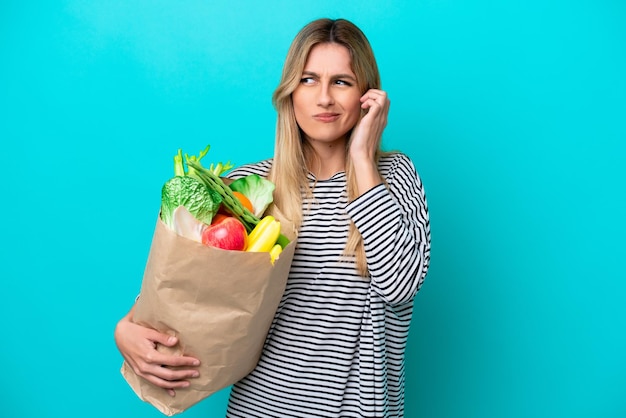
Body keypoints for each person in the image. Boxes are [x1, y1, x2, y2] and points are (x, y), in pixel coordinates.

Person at [115, 17, 431, 417]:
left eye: (342, 82)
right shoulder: (249, 188)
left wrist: (361, 160)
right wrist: (125, 328)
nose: (324, 99)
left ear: (367, 96)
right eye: (309, 80)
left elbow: (400, 286)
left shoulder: (394, 177)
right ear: (290, 93)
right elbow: (183, 288)